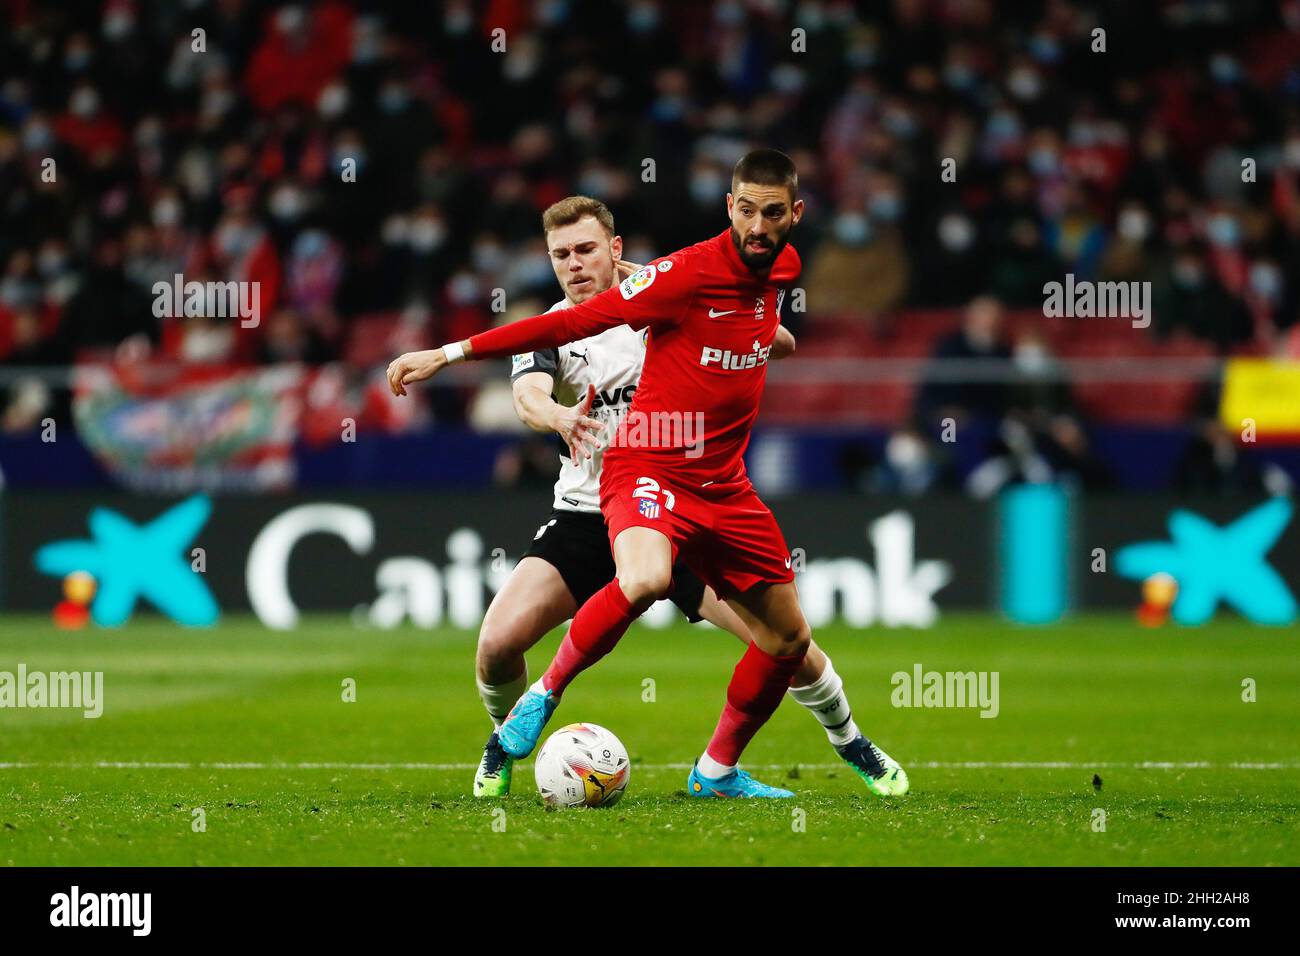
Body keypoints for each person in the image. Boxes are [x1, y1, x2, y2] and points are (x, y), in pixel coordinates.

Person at [390, 149, 908, 799]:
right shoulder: (553, 328)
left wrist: (756, 326)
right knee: (496, 643)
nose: (574, 265)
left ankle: (845, 737)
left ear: (616, 248)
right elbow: (528, 397)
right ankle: (504, 744)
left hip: (692, 496)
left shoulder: (675, 290)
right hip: (592, 509)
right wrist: (554, 416)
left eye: (585, 250)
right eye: (560, 255)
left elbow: (761, 318)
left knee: (791, 645)